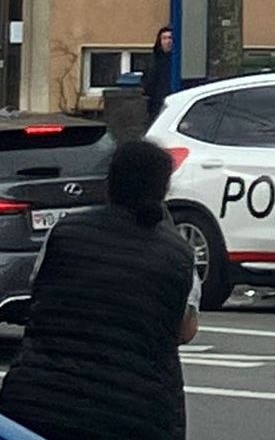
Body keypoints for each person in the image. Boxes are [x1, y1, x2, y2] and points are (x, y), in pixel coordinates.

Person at [0, 140, 201, 440]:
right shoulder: (179, 254)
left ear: (110, 184)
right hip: (136, 417)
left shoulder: (65, 232)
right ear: (163, 190)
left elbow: (39, 288)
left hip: (36, 406)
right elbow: (185, 330)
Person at [142, 26, 173, 122]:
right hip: (157, 105)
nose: (168, 41)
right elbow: (147, 83)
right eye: (164, 38)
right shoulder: (153, 60)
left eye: (170, 38)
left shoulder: (178, 61)